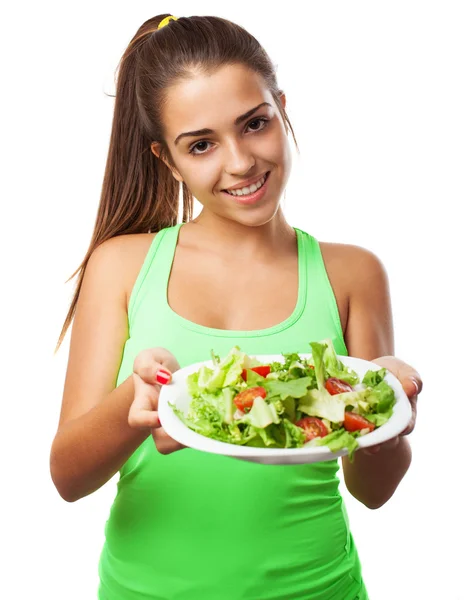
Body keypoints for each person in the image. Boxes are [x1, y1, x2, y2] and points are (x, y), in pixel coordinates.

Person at [50, 13, 423, 600]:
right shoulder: (123, 265)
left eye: (254, 124)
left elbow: (373, 490)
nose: (241, 162)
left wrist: (388, 416)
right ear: (167, 160)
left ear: (281, 108)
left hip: (318, 588)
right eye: (201, 144)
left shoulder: (352, 273)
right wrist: (136, 404)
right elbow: (68, 476)